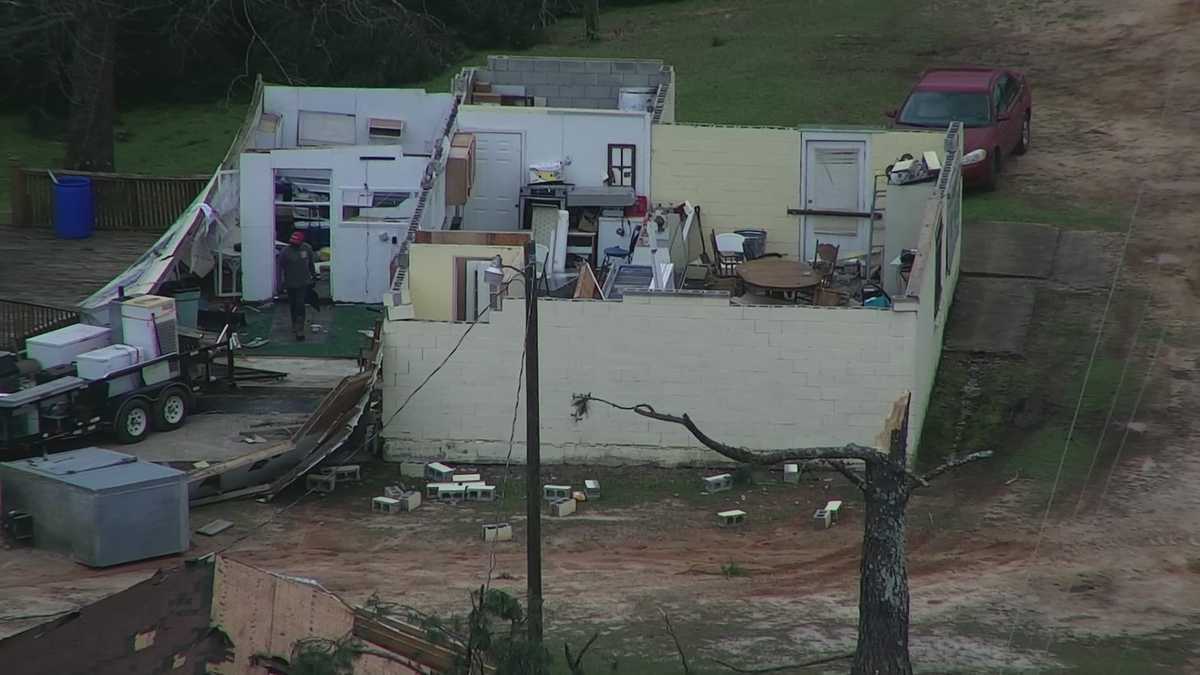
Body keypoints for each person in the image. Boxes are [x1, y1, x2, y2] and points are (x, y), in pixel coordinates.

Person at [280, 231, 317, 340]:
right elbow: (280, 268)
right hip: (290, 283)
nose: (293, 244)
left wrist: (313, 276)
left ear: (301, 242)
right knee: (293, 304)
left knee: (300, 303)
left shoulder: (307, 249)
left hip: (303, 282)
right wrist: (282, 283)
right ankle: (294, 323)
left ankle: (299, 326)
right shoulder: (285, 252)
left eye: (296, 243)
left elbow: (311, 264)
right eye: (292, 242)